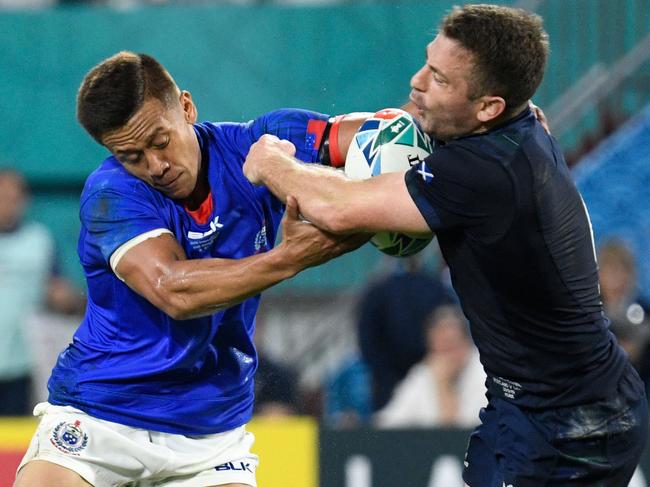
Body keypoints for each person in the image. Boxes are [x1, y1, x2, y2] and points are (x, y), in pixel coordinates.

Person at [243, 4, 648, 486]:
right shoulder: (516, 128)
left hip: (570, 424)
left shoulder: (484, 173)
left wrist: (274, 162)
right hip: (531, 405)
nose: (416, 82)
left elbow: (338, 207)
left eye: (438, 78)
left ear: (489, 107)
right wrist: (428, 104)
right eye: (427, 63)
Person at [14, 51, 368, 487]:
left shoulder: (262, 146)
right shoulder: (112, 194)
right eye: (131, 155)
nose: (155, 166)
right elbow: (174, 291)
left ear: (186, 107)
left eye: (160, 142)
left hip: (210, 429)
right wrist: (290, 257)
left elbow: (377, 138)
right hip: (101, 415)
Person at [0, 169, 84, 415]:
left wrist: (66, 299)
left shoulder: (39, 240)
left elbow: (56, 287)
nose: (7, 205)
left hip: (22, 361)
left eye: (13, 198)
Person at [357, 256, 452, 412]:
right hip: (412, 378)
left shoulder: (379, 290)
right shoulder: (437, 288)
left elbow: (367, 340)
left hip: (403, 379)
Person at [374, 305, 486, 429]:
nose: (446, 356)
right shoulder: (423, 373)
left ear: (467, 344)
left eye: (451, 345)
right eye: (440, 347)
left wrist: (443, 385)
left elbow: (459, 434)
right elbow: (388, 424)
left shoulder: (485, 374)